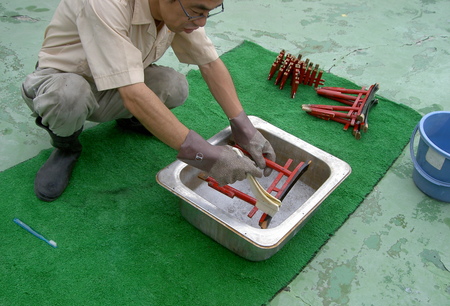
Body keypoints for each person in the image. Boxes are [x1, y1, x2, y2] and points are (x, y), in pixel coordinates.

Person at [21, 0, 276, 202]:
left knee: (174, 85)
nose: (201, 22)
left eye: (209, 12)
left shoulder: (180, 10)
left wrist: (243, 126)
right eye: (197, 11)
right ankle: (67, 147)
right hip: (61, 82)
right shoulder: (106, 4)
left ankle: (130, 121)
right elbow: (132, 91)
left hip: (116, 85)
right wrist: (206, 156)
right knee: (69, 94)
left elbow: (209, 62)